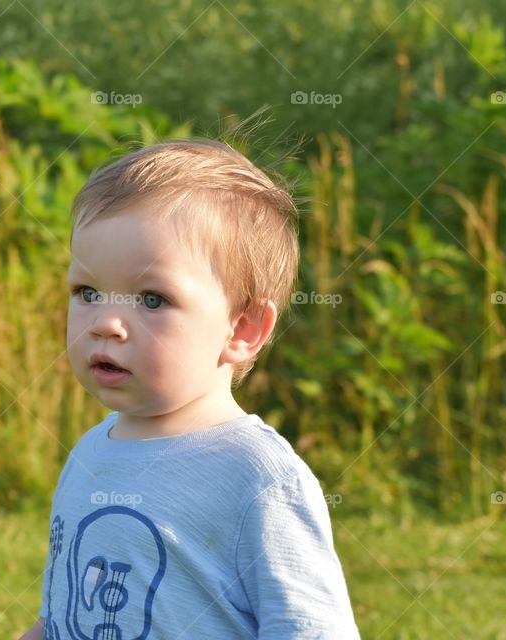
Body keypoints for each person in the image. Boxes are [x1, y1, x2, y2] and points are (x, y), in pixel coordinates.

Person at [20, 138, 360, 639]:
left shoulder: (255, 476)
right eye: (87, 292)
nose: (106, 323)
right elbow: (62, 618)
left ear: (242, 329)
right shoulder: (90, 454)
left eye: (152, 299)